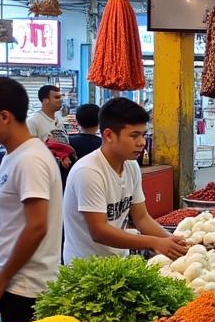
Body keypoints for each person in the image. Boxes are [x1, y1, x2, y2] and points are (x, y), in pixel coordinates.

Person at [63, 98, 186, 264]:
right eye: (134, 136)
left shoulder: (131, 165)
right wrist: (154, 242)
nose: (142, 142)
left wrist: (172, 240)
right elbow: (99, 231)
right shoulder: (89, 172)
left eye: (143, 135)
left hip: (118, 264)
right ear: (108, 135)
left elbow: (141, 218)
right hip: (85, 269)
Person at [0, 78, 63, 322]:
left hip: (26, 288)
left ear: (4, 117)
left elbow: (36, 226)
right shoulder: (15, 156)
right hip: (12, 280)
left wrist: (1, 281)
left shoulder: (30, 160)